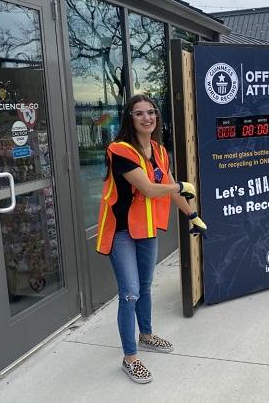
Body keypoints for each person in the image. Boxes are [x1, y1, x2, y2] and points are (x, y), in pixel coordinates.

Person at [97, 95, 207, 384]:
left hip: (145, 229)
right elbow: (148, 189)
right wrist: (183, 184)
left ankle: (145, 335)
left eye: (151, 112)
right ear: (129, 118)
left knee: (145, 287)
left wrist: (192, 215)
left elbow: (170, 188)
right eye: (139, 113)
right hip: (121, 231)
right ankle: (130, 358)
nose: (147, 118)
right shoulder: (119, 150)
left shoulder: (159, 150)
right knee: (130, 292)